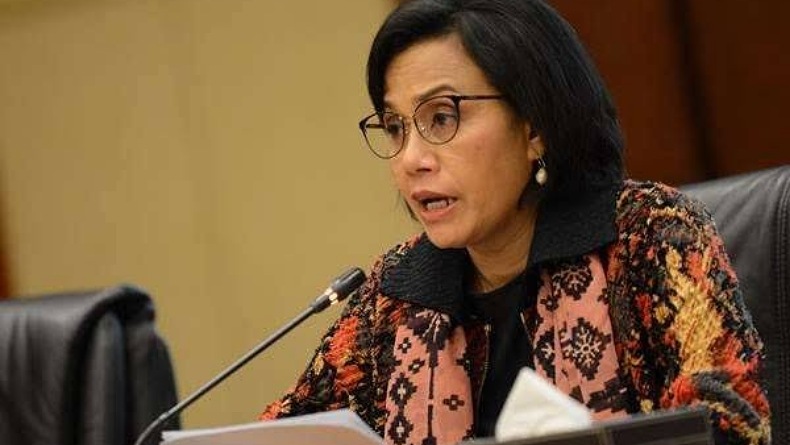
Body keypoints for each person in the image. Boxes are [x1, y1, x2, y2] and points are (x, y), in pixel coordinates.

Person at [260, 1, 771, 444]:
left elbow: (730, 424)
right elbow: (286, 433)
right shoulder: (393, 297)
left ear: (534, 127)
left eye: (442, 118)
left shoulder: (650, 235)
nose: (411, 158)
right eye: (395, 127)